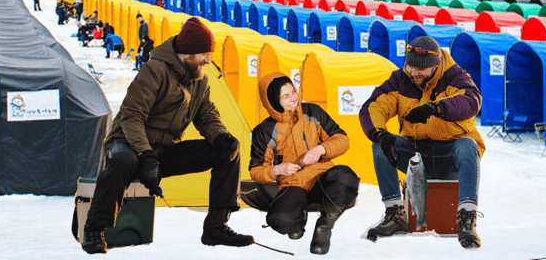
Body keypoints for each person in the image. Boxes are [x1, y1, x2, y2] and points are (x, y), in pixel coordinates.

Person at [80, 17, 253, 253]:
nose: (208, 60)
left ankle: (216, 227)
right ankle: (94, 229)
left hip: (164, 151)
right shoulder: (154, 71)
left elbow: (207, 115)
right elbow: (132, 117)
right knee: (122, 161)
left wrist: (221, 136)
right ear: (189, 52)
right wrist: (146, 154)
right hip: (129, 143)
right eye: (204, 53)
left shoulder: (200, 78)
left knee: (228, 150)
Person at [359, 35, 485, 249]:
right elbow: (373, 106)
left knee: (468, 145)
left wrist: (437, 108)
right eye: (410, 66)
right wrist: (380, 133)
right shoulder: (400, 79)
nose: (414, 73)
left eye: (421, 69)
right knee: (380, 144)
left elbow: (471, 102)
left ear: (436, 66)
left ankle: (466, 219)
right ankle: (395, 214)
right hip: (416, 154)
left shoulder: (456, 77)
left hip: (449, 154)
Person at [249, 73, 359, 255]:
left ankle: (324, 226)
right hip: (293, 184)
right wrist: (276, 170)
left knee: (346, 177)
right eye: (286, 96)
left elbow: (342, 139)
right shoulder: (264, 130)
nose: (293, 98)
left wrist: (321, 150)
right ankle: (297, 220)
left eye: (293, 91)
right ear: (272, 102)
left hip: (322, 176)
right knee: (281, 219)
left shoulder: (312, 113)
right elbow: (256, 170)